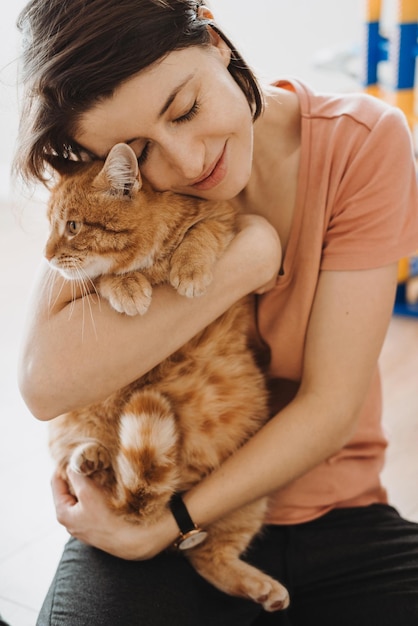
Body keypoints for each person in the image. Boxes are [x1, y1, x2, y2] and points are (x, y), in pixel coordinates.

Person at [14, 1, 418, 625]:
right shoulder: (113, 189)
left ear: (214, 36)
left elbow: (330, 406)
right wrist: (245, 261)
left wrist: (173, 525)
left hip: (333, 513)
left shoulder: (363, 144)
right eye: (140, 150)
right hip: (146, 498)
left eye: (185, 108)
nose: (185, 161)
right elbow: (44, 386)